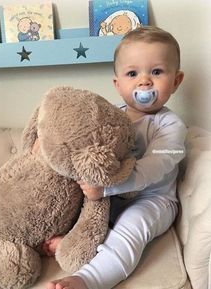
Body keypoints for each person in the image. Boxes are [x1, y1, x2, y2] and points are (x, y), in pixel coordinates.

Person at [38, 26, 187, 289]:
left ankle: (89, 279)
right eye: (133, 73)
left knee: (131, 226)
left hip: (152, 200)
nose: (144, 81)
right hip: (108, 197)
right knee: (77, 204)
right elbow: (80, 146)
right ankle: (72, 242)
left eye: (156, 72)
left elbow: (156, 166)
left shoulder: (171, 126)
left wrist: (108, 187)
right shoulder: (110, 117)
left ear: (176, 80)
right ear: (118, 85)